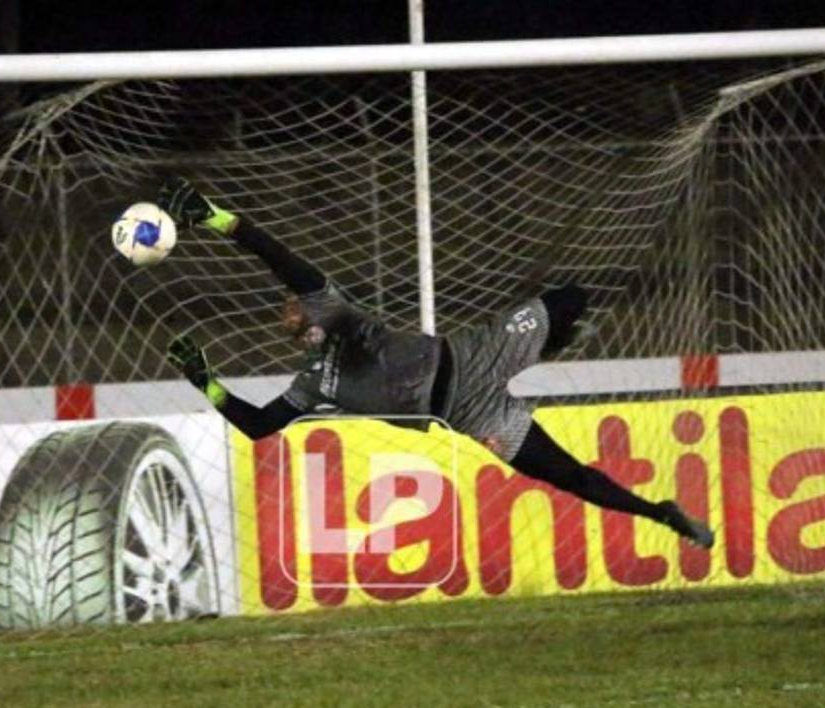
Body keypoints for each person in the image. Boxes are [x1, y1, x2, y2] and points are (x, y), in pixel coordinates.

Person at [157, 178, 714, 548]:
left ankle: (544, 347)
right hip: (471, 413)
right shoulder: (309, 386)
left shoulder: (334, 308)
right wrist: (202, 380)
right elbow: (257, 427)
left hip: (476, 349)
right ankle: (662, 514)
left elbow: (272, 253)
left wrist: (213, 217)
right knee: (569, 476)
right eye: (284, 309)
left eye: (289, 302)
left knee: (571, 297)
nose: (285, 306)